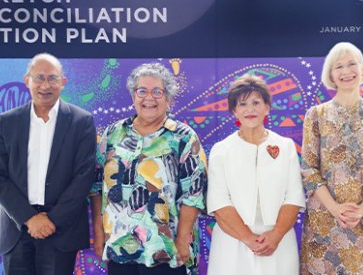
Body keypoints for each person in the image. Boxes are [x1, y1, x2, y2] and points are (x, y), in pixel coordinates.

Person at [90, 62, 207, 275]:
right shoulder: (113, 133)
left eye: (157, 91)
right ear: (134, 95)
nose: (149, 98)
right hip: (120, 248)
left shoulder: (183, 137)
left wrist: (182, 239)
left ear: (168, 98)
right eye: (142, 90)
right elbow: (96, 186)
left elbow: (194, 194)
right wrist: (99, 233)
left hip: (168, 250)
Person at [300, 42, 363, 274]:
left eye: (352, 64)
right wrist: (335, 209)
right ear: (331, 75)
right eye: (339, 66)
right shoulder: (316, 115)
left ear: (362, 69)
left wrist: (361, 209)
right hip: (325, 218)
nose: (346, 71)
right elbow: (309, 170)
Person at [0, 53, 97, 275]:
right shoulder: (6, 122)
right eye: (39, 78)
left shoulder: (81, 121)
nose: (46, 85)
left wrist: (51, 221)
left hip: (61, 230)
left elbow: (84, 175)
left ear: (63, 82)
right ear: (27, 80)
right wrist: (28, 218)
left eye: (52, 78)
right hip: (17, 227)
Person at [207, 74, 306, 275]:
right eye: (242, 104)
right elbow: (218, 201)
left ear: (267, 107)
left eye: (256, 102)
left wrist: (276, 235)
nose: (250, 110)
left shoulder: (285, 146)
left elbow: (294, 195)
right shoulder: (221, 150)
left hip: (278, 243)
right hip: (233, 242)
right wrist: (247, 238)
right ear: (234, 110)